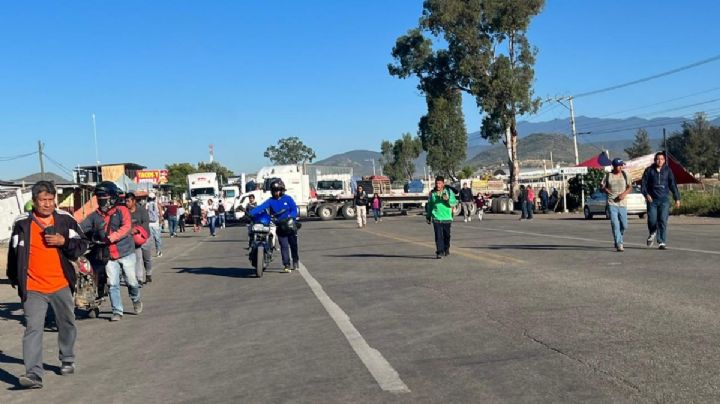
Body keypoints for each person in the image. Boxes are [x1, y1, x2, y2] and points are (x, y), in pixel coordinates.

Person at [6, 181, 89, 389]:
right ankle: (33, 374)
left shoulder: (65, 221)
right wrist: (15, 280)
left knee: (67, 324)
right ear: (34, 201)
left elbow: (82, 244)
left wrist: (64, 242)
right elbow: (13, 254)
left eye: (51, 200)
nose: (47, 204)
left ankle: (67, 358)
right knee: (33, 329)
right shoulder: (22, 224)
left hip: (60, 284)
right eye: (43, 200)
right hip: (33, 288)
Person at [81, 181, 142, 321]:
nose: (101, 201)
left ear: (113, 198)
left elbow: (126, 227)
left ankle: (136, 299)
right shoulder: (94, 215)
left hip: (126, 253)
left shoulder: (122, 210)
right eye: (99, 198)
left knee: (132, 282)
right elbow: (82, 227)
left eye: (104, 198)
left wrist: (110, 238)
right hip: (108, 256)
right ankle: (117, 311)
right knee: (112, 284)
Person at [250, 180, 300, 273]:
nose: (276, 192)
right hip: (280, 226)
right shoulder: (270, 201)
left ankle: (296, 260)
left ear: (282, 190)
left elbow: (294, 209)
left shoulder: (288, 199)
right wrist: (251, 213)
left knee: (293, 245)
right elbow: (260, 207)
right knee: (284, 246)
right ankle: (287, 264)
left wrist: (291, 217)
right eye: (274, 190)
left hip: (290, 225)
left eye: (278, 190)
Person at [641, 151, 681, 250]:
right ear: (655, 160)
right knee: (652, 220)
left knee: (663, 220)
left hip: (664, 200)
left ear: (664, 161)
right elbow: (643, 185)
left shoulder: (668, 171)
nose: (660, 161)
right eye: (658, 159)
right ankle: (652, 232)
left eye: (662, 159)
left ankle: (661, 242)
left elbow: (673, 185)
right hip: (652, 200)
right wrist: (646, 195)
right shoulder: (649, 170)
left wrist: (677, 198)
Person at [602, 158, 632, 252]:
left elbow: (630, 187)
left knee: (624, 225)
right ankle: (619, 243)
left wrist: (624, 194)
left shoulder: (625, 175)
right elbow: (602, 186)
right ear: (614, 166)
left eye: (621, 165)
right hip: (612, 203)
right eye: (619, 166)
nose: (620, 167)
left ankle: (618, 238)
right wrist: (606, 190)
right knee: (615, 224)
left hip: (622, 204)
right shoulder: (608, 175)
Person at [426, 176, 457, 259]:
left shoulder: (449, 192)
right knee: (438, 236)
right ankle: (439, 252)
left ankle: (446, 248)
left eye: (439, 183)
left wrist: (447, 200)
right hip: (436, 218)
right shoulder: (432, 193)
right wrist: (428, 216)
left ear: (443, 184)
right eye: (436, 183)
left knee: (447, 236)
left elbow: (454, 203)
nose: (438, 185)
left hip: (447, 218)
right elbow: (430, 205)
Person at [126, 192, 153, 283]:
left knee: (147, 258)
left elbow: (146, 222)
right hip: (134, 239)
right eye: (126, 201)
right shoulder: (125, 212)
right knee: (138, 258)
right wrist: (130, 231)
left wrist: (138, 230)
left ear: (134, 201)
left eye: (128, 201)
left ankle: (148, 273)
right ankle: (139, 278)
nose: (127, 203)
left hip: (145, 237)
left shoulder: (142, 210)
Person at [146, 191, 163, 257]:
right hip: (156, 224)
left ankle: (148, 253)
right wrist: (161, 221)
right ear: (154, 198)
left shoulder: (146, 205)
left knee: (149, 239)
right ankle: (158, 251)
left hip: (149, 224)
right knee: (158, 238)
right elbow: (161, 214)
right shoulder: (158, 204)